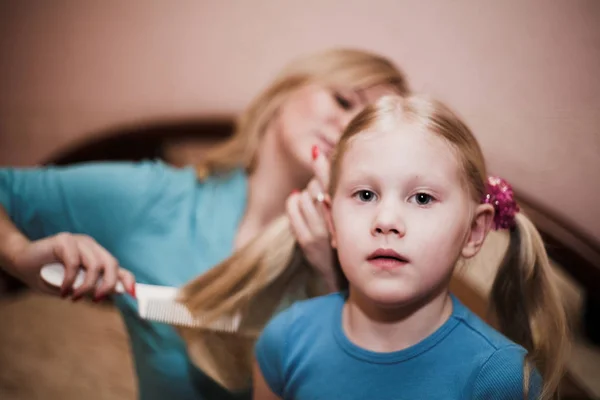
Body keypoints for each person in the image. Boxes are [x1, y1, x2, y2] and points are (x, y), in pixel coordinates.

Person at [0, 49, 410, 399]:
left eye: (365, 126)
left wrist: (335, 275)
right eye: (342, 101)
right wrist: (18, 256)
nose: (347, 127)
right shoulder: (156, 199)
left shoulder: (375, 247)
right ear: (284, 92)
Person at [253, 95, 570, 399]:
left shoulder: (502, 380)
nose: (386, 220)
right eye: (365, 195)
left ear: (474, 231)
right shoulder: (284, 341)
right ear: (331, 222)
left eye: (422, 198)